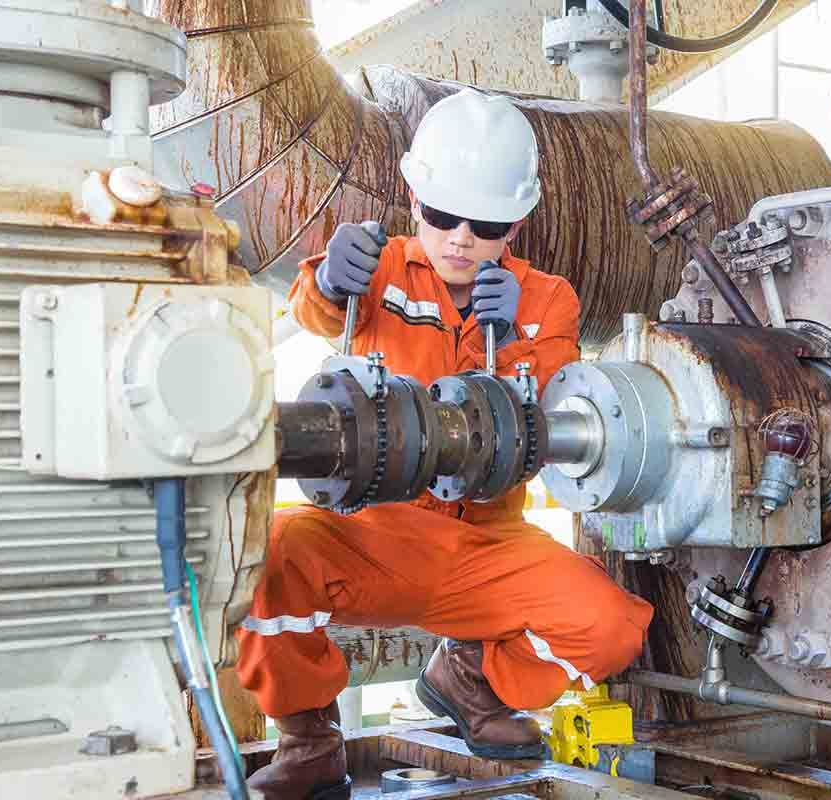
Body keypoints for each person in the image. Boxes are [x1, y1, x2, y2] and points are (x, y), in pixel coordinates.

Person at [237, 88, 655, 800]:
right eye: (441, 216)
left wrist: (517, 334)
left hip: (487, 546)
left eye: (485, 223)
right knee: (255, 557)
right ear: (413, 194)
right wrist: (331, 280)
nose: (460, 237)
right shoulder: (383, 269)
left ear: (517, 220)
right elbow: (319, 309)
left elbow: (548, 401)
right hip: (369, 533)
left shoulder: (547, 299)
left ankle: (468, 679)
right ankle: (308, 739)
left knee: (611, 627)